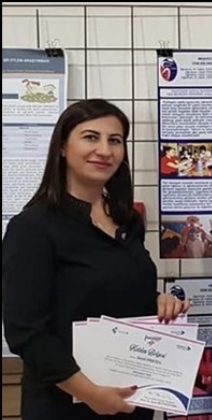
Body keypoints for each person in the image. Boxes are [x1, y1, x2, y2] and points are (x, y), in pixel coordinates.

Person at [1, 99, 190, 420]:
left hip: (130, 398)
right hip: (66, 404)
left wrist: (159, 302)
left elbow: (116, 289)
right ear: (63, 147)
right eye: (91, 137)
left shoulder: (127, 220)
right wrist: (90, 394)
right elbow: (26, 333)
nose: (104, 150)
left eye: (114, 140)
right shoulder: (33, 227)